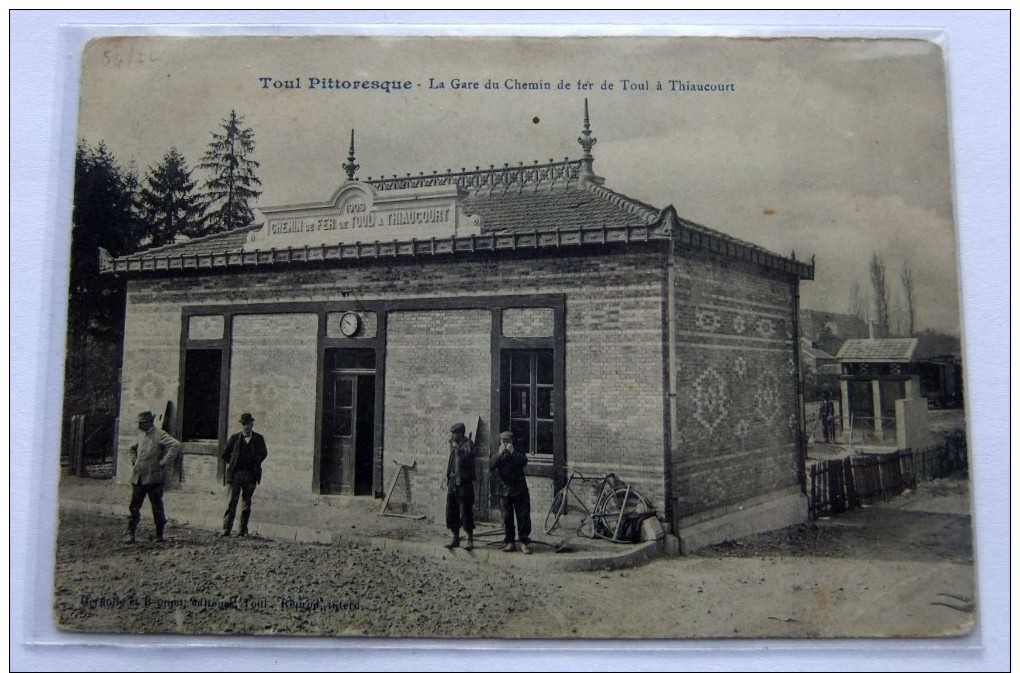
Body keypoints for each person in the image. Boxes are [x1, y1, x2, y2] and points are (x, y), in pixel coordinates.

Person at [125, 410, 181, 543]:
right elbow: (132, 448)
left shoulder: (160, 434)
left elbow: (176, 445)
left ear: (149, 422)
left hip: (153, 478)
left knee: (157, 506)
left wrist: (163, 461)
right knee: (134, 506)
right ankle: (130, 535)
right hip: (138, 477)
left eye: (142, 423)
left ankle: (159, 535)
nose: (139, 425)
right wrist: (134, 461)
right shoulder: (140, 434)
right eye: (139, 423)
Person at [221, 412, 269, 537]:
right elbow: (225, 454)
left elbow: (264, 453)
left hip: (251, 475)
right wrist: (233, 463)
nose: (247, 426)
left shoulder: (259, 438)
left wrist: (255, 463)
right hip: (236, 474)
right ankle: (226, 530)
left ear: (252, 423)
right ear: (242, 425)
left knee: (246, 504)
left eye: (249, 423)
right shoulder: (234, 438)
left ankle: (241, 530)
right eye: (244, 424)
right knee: (232, 502)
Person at [490, 430, 532, 554]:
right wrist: (499, 453)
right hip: (504, 490)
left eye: (507, 441)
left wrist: (512, 451)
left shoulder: (518, 450)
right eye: (503, 441)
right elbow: (491, 465)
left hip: (519, 489)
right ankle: (510, 542)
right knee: (507, 517)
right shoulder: (498, 452)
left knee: (523, 516)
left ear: (512, 441)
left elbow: (523, 462)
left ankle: (523, 543)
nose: (505, 443)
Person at [444, 422, 475, 550]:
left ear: (460, 434)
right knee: (451, 511)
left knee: (466, 512)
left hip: (464, 484)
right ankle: (455, 538)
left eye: (454, 434)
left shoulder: (468, 444)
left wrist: (457, 449)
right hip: (453, 483)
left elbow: (466, 455)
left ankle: (469, 539)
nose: (452, 436)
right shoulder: (454, 445)